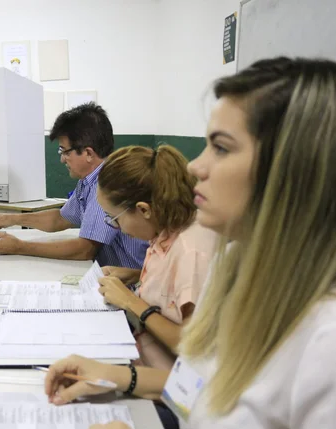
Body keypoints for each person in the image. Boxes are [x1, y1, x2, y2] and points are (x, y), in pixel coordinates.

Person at [44, 57, 336, 429]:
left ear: (292, 170)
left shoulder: (325, 341)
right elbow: (195, 390)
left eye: (222, 148)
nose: (196, 166)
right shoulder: (232, 265)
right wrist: (110, 375)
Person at [95, 144, 218, 429]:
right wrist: (134, 274)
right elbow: (173, 289)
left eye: (115, 219)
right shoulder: (166, 231)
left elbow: (192, 346)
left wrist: (130, 301)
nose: (117, 227)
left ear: (143, 209)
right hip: (147, 369)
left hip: (174, 398)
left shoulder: (190, 249)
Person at [0, 103, 148, 269]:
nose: (62, 159)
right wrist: (12, 219)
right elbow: (60, 218)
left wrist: (20, 247)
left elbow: (85, 250)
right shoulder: (87, 181)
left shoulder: (107, 184)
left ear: (88, 153)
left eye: (65, 151)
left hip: (131, 285)